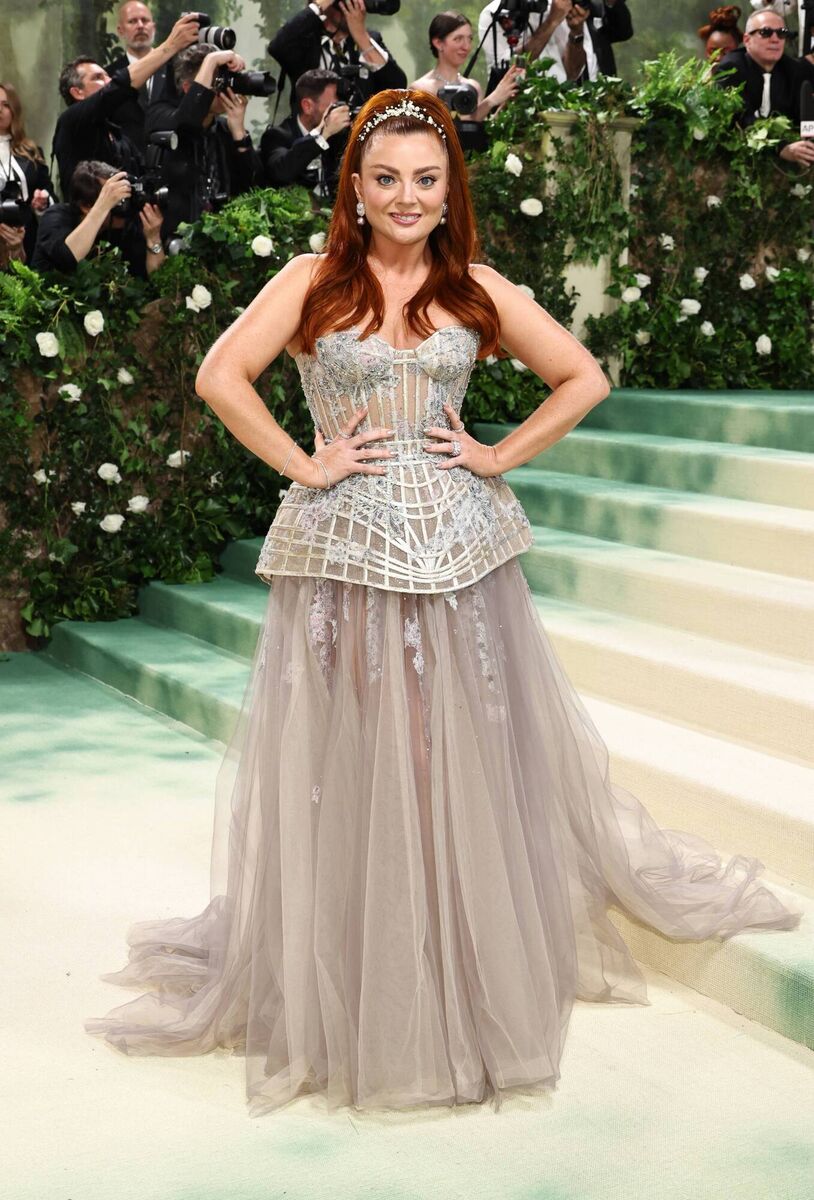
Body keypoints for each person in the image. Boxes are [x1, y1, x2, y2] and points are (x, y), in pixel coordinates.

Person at [84, 88, 802, 1116]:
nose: (408, 196)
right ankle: (362, 966)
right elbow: (219, 375)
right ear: (357, 190)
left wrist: (496, 453)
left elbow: (581, 377)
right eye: (387, 180)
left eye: (427, 179)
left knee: (446, 755)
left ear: (447, 188)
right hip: (342, 559)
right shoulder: (309, 283)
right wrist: (306, 461)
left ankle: (452, 963)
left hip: (465, 559)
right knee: (356, 754)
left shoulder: (475, 289)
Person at [52, 12, 200, 199]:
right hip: (87, 223)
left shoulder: (118, 136)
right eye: (98, 78)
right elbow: (117, 89)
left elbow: (143, 179)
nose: (108, 80)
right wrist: (171, 46)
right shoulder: (71, 121)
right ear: (77, 92)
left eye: (106, 75)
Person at [145, 44, 262, 237]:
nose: (223, 89)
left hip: (221, 238)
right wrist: (212, 60)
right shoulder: (164, 118)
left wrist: (239, 135)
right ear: (189, 88)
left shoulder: (225, 128)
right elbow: (186, 121)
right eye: (216, 82)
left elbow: (252, 187)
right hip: (176, 236)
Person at [713, 5, 814, 165]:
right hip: (736, 160)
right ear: (747, 40)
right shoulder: (731, 68)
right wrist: (781, 147)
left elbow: (803, 117)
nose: (775, 39)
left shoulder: (794, 70)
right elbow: (740, 119)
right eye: (765, 32)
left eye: (782, 33)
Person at [31, 160, 165, 278]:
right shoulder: (56, 217)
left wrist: (153, 239)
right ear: (86, 206)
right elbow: (68, 258)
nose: (122, 203)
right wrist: (103, 206)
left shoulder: (127, 225)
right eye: (114, 198)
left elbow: (157, 280)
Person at [268, 0, 407, 113]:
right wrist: (319, 5)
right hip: (314, 139)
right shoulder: (305, 42)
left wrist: (362, 37)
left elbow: (397, 86)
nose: (356, 8)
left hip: (357, 139)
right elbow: (277, 47)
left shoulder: (368, 40)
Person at [478, 0, 632, 90]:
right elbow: (511, 71)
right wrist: (552, 21)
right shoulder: (496, 13)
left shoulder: (571, 7)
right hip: (519, 111)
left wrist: (576, 32)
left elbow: (572, 73)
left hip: (568, 113)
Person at [410, 12, 524, 124]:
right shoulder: (420, 89)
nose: (466, 46)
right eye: (458, 39)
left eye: (469, 39)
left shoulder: (473, 87)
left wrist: (506, 101)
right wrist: (492, 99)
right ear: (439, 43)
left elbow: (478, 131)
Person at [261, 69, 350, 196]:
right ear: (307, 106)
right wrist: (322, 134)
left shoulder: (337, 136)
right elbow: (282, 172)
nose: (337, 112)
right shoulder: (277, 136)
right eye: (333, 107)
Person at [0, 81, 55, 267]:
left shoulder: (31, 151)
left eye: (6, 105)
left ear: (14, 110)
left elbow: (49, 192)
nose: (0, 110)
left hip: (26, 235)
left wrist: (42, 202)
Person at [105, 1, 170, 152]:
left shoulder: (174, 69)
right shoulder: (110, 76)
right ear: (120, 30)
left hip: (172, 161)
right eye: (132, 21)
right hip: (128, 165)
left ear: (153, 27)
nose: (140, 25)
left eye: (145, 20)